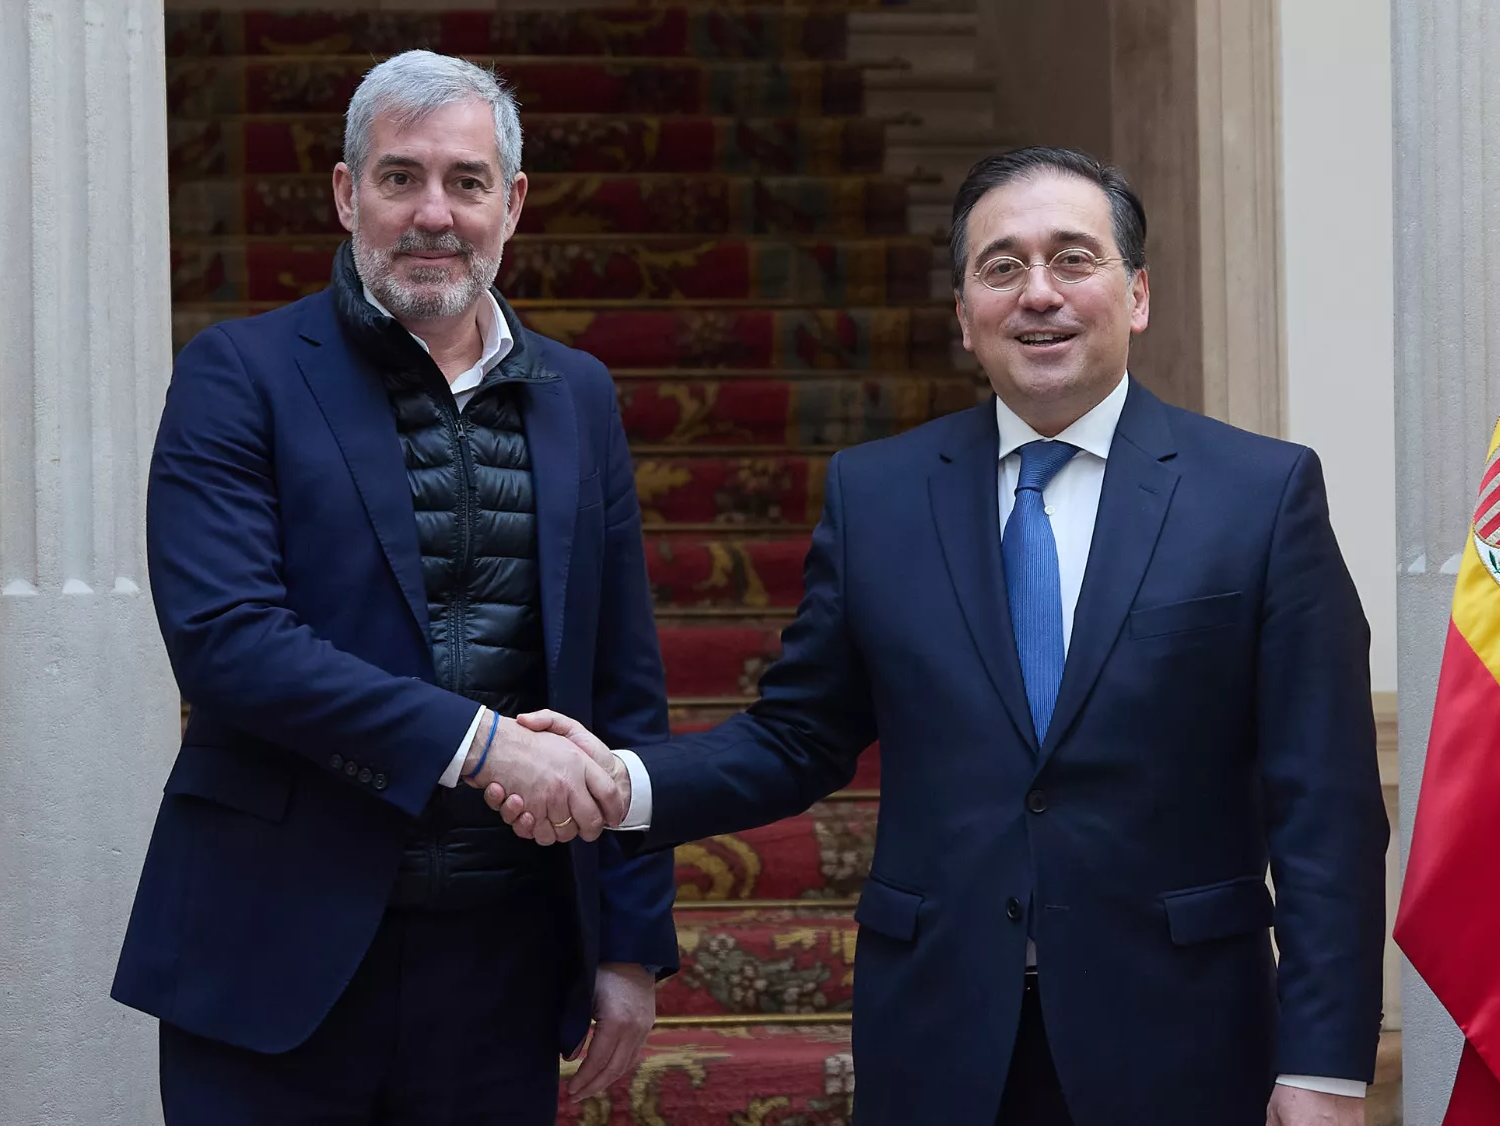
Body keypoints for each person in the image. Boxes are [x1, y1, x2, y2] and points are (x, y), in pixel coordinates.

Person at [498, 148, 1389, 1125]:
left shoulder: (1259, 497)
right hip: (939, 1043)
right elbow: (799, 736)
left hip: (1183, 1041)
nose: (1037, 293)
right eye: (1000, 267)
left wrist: (1326, 1067)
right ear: (964, 316)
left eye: (1072, 259)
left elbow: (1326, 812)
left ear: (1134, 294)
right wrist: (622, 787)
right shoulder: (877, 495)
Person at [111, 50, 675, 1124]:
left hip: (503, 961)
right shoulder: (239, 373)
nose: (432, 213)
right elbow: (228, 641)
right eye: (398, 177)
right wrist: (482, 742)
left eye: (465, 182)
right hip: (273, 947)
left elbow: (620, 680)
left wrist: (632, 939)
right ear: (344, 193)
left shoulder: (579, 396)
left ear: (510, 204)